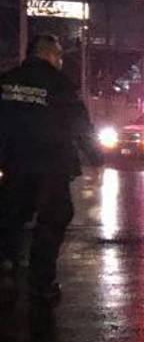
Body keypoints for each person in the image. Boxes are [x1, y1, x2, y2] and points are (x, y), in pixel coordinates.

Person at [0, 34, 102, 304]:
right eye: (58, 55)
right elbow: (80, 124)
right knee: (53, 219)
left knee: (10, 215)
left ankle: (7, 263)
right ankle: (41, 283)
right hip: (52, 166)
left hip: (14, 163)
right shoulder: (61, 84)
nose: (60, 60)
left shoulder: (6, 80)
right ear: (48, 54)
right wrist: (96, 158)